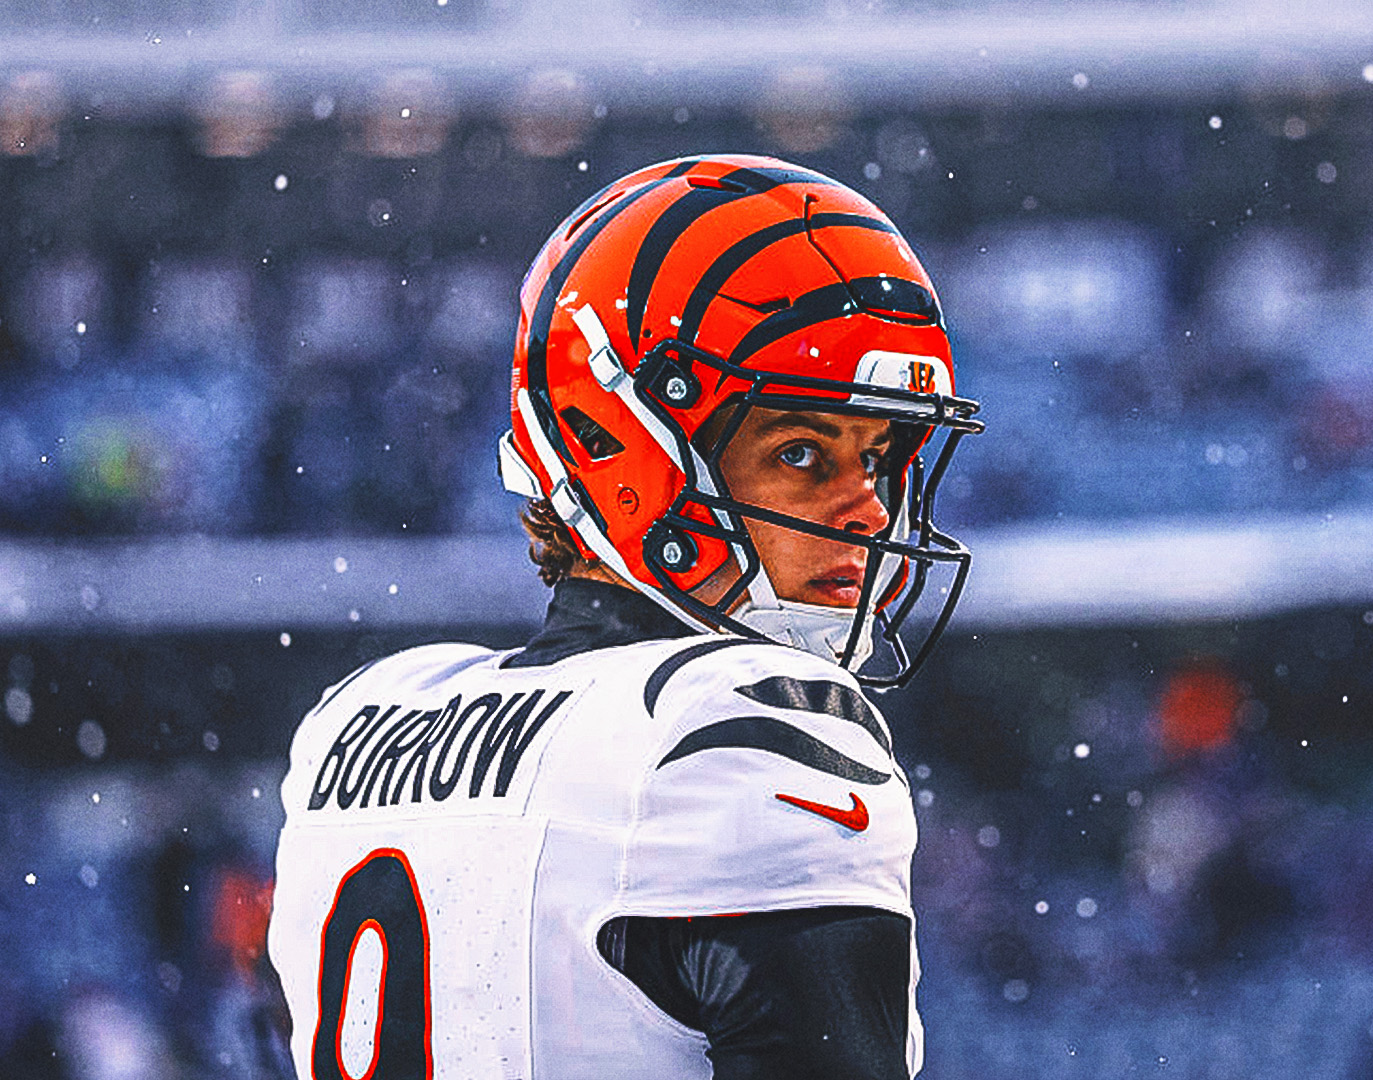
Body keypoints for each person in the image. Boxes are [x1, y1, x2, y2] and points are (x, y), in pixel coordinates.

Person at [266, 154, 983, 1080]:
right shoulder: (741, 727)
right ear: (624, 449)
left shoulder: (360, 725)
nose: (870, 512)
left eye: (879, 458)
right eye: (803, 453)